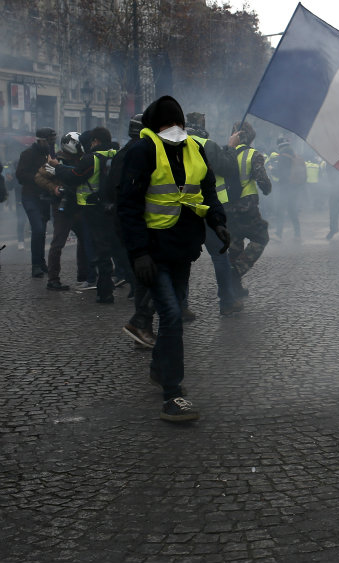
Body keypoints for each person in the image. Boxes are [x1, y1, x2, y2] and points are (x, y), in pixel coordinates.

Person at [117, 96, 230, 422]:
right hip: (153, 251)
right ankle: (173, 395)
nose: (175, 130)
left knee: (173, 313)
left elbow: (207, 189)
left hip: (183, 248)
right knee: (171, 315)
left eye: (177, 123)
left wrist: (218, 221)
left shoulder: (195, 148)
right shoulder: (141, 152)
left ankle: (158, 369)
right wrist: (138, 253)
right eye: (168, 124)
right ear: (155, 126)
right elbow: (128, 206)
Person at [49, 127, 119, 303]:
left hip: (92, 207)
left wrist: (58, 167)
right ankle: (119, 281)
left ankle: (104, 291)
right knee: (112, 247)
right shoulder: (115, 154)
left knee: (97, 249)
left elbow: (75, 176)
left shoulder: (91, 158)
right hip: (111, 206)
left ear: (95, 141)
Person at [187, 112, 243, 315]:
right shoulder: (207, 144)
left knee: (183, 260)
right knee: (220, 255)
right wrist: (230, 147)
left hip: (184, 209)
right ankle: (227, 301)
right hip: (208, 209)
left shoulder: (175, 143)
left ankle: (182, 306)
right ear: (202, 124)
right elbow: (228, 168)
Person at [111, 114, 157, 349]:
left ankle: (143, 324)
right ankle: (142, 325)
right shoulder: (139, 154)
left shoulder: (124, 153)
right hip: (138, 224)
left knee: (143, 277)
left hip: (129, 223)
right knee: (147, 276)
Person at [34, 131, 89, 291]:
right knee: (58, 243)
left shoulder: (81, 159)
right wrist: (54, 188)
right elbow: (39, 177)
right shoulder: (56, 160)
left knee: (85, 240)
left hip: (78, 204)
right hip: (62, 206)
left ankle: (83, 274)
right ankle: (53, 278)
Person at [227, 121, 271, 297]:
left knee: (235, 247)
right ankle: (235, 272)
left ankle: (234, 288)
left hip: (227, 209)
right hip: (247, 208)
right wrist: (267, 188)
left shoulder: (225, 154)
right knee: (261, 237)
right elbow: (263, 182)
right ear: (250, 136)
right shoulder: (253, 155)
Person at [16, 128, 57, 278]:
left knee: (42, 231)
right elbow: (20, 175)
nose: (51, 143)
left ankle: (41, 261)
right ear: (39, 140)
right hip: (30, 197)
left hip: (45, 198)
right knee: (38, 228)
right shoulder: (27, 154)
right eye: (48, 140)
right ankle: (35, 265)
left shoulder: (50, 154)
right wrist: (37, 177)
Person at [272, 136, 303, 241]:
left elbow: (282, 174)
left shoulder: (282, 156)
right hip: (294, 187)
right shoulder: (294, 155)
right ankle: (297, 234)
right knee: (292, 210)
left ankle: (278, 234)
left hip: (285, 187)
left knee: (280, 210)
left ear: (279, 146)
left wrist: (272, 171)